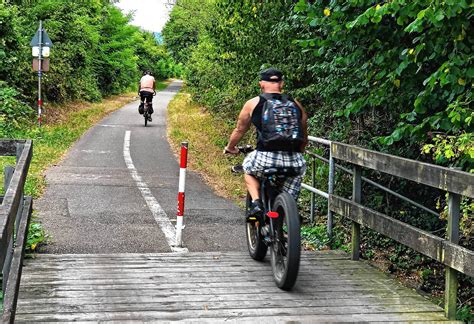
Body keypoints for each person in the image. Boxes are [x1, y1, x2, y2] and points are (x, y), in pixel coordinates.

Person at [224, 67, 308, 221]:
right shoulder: (295, 104)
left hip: (266, 157)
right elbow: (303, 132)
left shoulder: (253, 103)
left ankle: (256, 203)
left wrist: (230, 147)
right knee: (291, 186)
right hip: (294, 160)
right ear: (281, 84)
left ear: (261, 84)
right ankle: (289, 213)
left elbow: (239, 129)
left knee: (248, 168)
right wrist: (299, 152)